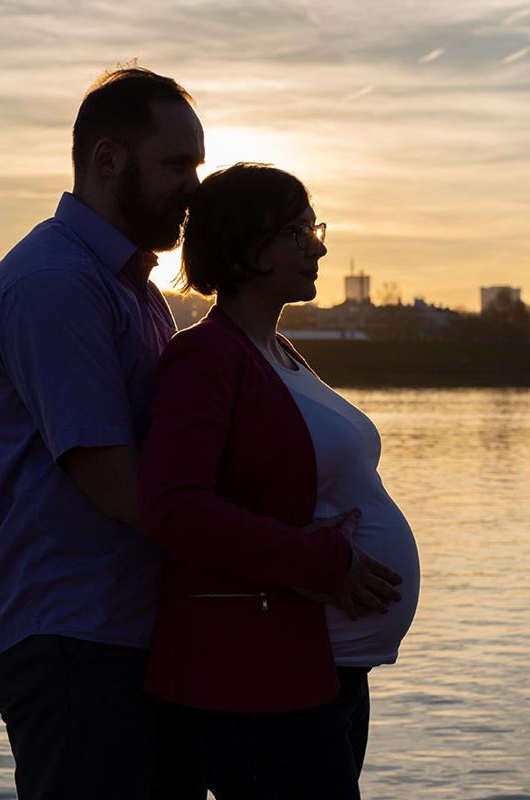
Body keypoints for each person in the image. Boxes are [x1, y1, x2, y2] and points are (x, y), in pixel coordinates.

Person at [137, 163, 422, 799]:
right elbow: (173, 510)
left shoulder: (277, 351)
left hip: (325, 670)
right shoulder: (205, 357)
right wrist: (324, 562)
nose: (318, 246)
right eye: (299, 232)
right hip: (259, 679)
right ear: (248, 244)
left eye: (313, 228)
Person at [0, 67, 206, 799]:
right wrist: (280, 550)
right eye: (176, 165)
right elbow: (117, 487)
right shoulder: (54, 284)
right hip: (75, 639)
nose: (193, 188)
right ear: (108, 160)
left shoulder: (134, 288)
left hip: (125, 635)